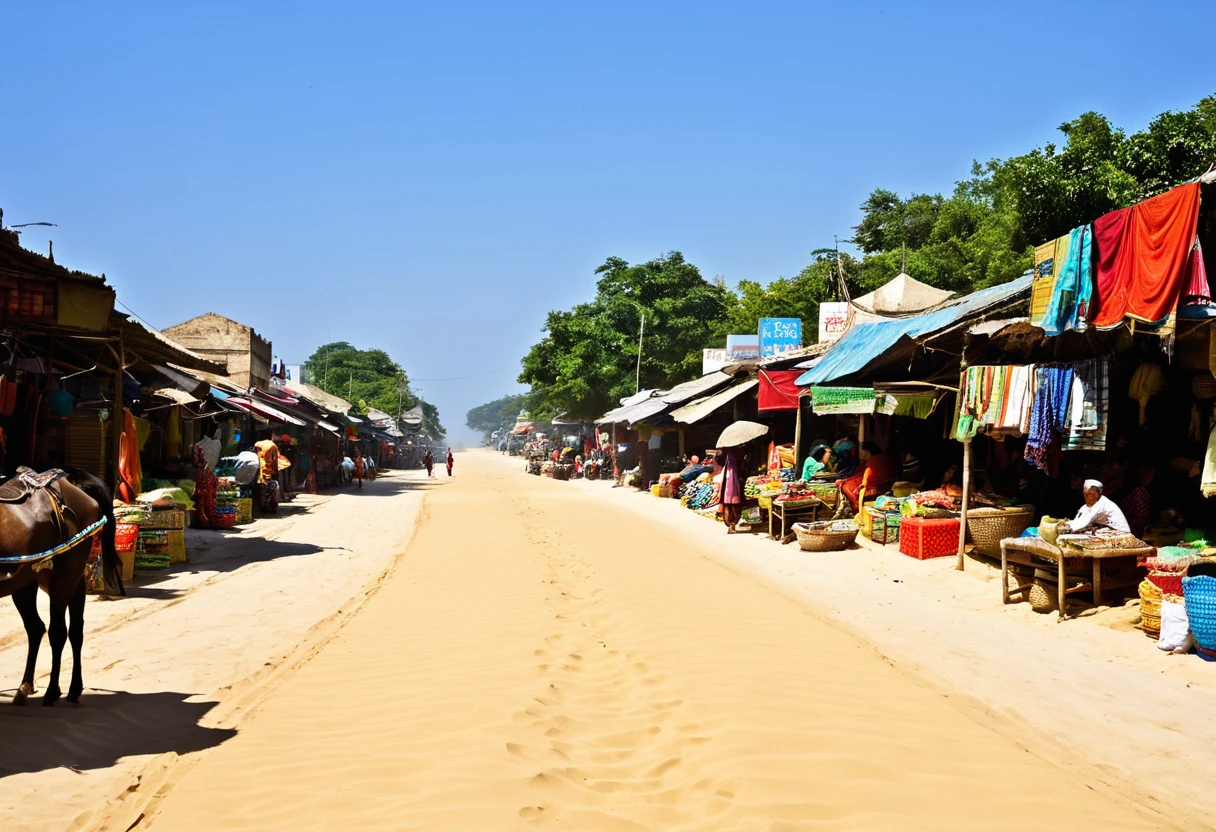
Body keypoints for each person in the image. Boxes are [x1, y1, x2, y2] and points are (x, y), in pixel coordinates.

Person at [1063, 479, 1131, 534]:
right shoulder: (1085, 507)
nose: (1090, 496)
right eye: (1087, 493)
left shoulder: (1102, 504)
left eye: (1093, 493)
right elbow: (1077, 520)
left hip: (1121, 533)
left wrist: (1067, 529)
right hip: (1106, 531)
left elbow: (1083, 522)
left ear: (1100, 493)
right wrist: (1063, 524)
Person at [1119, 466, 1154, 536]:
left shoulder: (1134, 489)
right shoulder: (1140, 491)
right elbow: (1140, 517)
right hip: (1130, 530)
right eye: (1151, 473)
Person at [253, 436, 280, 514]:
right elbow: (275, 461)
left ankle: (266, 506)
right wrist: (275, 470)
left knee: (266, 490)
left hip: (264, 474)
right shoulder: (271, 446)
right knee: (268, 490)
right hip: (265, 474)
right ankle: (268, 506)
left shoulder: (261, 452)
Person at [720, 446, 743, 534]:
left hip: (728, 485)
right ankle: (732, 524)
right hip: (732, 484)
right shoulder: (733, 456)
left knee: (729, 505)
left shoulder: (726, 456)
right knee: (733, 506)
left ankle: (731, 524)